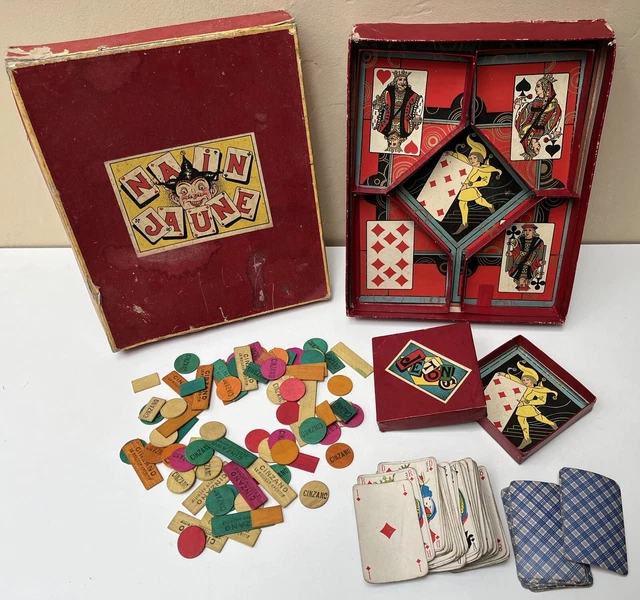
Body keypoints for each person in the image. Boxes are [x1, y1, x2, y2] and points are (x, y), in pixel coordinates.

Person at [445, 136, 502, 235]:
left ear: (479, 158)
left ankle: (489, 206)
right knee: (466, 202)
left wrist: (469, 185)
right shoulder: (467, 165)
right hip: (464, 187)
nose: (472, 160)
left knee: (476, 201)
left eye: (474, 157)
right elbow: (459, 156)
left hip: (469, 187)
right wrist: (450, 153)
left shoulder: (483, 169)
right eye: (470, 158)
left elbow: (484, 182)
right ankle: (464, 223)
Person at [496, 361, 558, 450]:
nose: (525, 382)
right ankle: (527, 438)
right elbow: (515, 379)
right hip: (521, 406)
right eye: (524, 380)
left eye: (527, 379)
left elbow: (542, 401)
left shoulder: (537, 390)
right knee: (521, 419)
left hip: (528, 405)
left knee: (539, 418)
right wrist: (504, 375)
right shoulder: (522, 386)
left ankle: (552, 423)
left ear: (532, 380)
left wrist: (526, 403)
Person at [372, 69, 423, 153]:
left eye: (404, 80)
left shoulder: (381, 129)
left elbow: (419, 102)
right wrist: (377, 105)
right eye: (400, 80)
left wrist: (417, 116)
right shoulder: (407, 132)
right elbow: (379, 102)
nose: (402, 82)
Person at [514, 73, 563, 160]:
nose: (535, 89)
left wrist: (520, 104)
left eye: (538, 86)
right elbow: (550, 126)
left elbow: (522, 115)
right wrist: (553, 133)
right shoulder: (541, 133)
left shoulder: (523, 132)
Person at [505, 223, 546, 291]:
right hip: (523, 258)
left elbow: (538, 254)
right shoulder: (520, 240)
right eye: (525, 230)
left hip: (529, 257)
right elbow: (517, 250)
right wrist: (511, 253)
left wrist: (512, 254)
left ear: (533, 232)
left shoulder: (513, 273)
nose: (527, 232)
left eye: (530, 230)